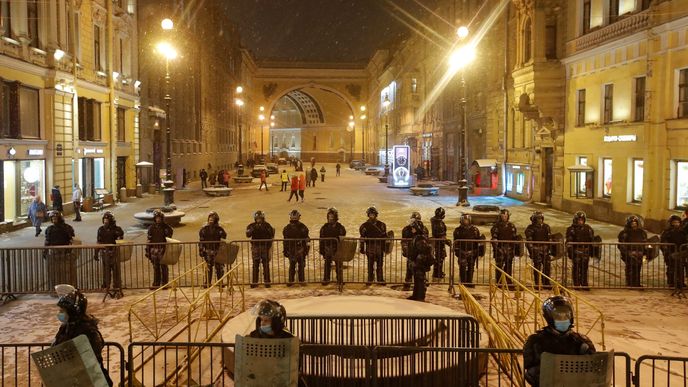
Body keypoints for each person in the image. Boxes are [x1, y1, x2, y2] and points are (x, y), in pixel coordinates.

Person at [523, 296, 596, 387]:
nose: (563, 319)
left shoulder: (581, 342)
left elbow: (592, 371)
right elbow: (530, 372)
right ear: (549, 317)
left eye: (566, 315)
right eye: (558, 316)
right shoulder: (535, 341)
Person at [53, 285, 113, 386]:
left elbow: (91, 356)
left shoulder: (88, 330)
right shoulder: (66, 327)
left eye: (62, 311)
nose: (59, 313)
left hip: (90, 380)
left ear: (72, 312)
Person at [45, 210, 76, 292]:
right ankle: (56, 290)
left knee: (67, 273)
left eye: (55, 218)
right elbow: (47, 241)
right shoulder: (50, 229)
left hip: (65, 254)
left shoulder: (67, 228)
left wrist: (71, 251)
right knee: (55, 274)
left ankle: (68, 290)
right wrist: (45, 251)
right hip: (54, 254)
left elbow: (72, 240)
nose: (54, 220)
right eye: (52, 218)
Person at [96, 211, 125, 299]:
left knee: (116, 270)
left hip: (114, 253)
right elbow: (99, 242)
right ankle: (106, 286)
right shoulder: (101, 229)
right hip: (105, 253)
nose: (105, 221)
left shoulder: (117, 229)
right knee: (106, 270)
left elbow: (121, 239)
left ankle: (117, 286)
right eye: (104, 219)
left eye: (107, 220)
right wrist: (96, 252)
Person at [566, 211, 596, 289]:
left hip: (585, 251)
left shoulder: (588, 228)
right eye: (579, 220)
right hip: (576, 251)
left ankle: (584, 283)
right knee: (576, 267)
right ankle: (576, 283)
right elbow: (569, 241)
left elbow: (592, 240)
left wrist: (593, 250)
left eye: (582, 220)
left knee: (584, 268)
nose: (580, 221)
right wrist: (570, 252)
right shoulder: (571, 229)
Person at [453, 213, 484, 287]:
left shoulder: (475, 230)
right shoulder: (458, 230)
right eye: (464, 220)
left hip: (472, 252)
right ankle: (463, 281)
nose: (466, 221)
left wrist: (477, 252)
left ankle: (469, 281)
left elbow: (478, 243)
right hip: (462, 251)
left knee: (471, 267)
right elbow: (456, 243)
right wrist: (459, 252)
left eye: (467, 220)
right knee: (462, 266)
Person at [246, 210, 275, 288]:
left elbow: (272, 234)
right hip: (255, 247)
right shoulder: (251, 225)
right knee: (255, 265)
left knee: (266, 265)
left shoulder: (267, 225)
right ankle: (255, 282)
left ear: (263, 218)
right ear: (255, 218)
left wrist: (270, 248)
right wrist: (252, 230)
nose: (258, 219)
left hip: (265, 247)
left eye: (260, 218)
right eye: (257, 218)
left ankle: (267, 282)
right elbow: (247, 235)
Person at [617, 215, 648, 288]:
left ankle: (637, 283)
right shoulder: (624, 233)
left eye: (635, 223)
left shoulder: (642, 232)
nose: (634, 225)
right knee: (630, 268)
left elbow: (645, 242)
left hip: (639, 254)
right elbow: (622, 244)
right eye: (632, 223)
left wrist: (645, 252)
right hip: (629, 254)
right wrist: (627, 253)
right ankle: (630, 283)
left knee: (638, 269)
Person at [359, 207, 388, 285]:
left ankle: (380, 279)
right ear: (368, 215)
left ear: (376, 215)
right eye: (370, 214)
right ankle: (370, 279)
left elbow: (385, 237)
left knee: (379, 264)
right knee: (370, 264)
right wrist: (362, 247)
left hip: (379, 247)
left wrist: (386, 248)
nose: (372, 216)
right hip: (370, 246)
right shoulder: (364, 226)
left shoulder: (382, 225)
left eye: (373, 214)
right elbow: (362, 237)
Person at [490, 209, 519, 286]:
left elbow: (514, 237)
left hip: (509, 248)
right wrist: (497, 248)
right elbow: (494, 237)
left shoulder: (511, 226)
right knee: (499, 265)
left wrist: (515, 245)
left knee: (509, 265)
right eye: (503, 216)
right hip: (500, 248)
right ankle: (499, 282)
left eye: (506, 216)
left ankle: (508, 281)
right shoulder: (496, 226)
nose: (504, 217)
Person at [145, 210, 173, 289]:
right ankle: (156, 283)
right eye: (157, 218)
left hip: (163, 248)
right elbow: (149, 239)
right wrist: (148, 250)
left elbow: (169, 235)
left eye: (159, 218)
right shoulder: (151, 227)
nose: (158, 219)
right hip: (154, 249)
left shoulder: (166, 227)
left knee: (163, 266)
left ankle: (165, 283)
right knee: (155, 267)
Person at [199, 211, 227, 287]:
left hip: (217, 251)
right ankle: (207, 282)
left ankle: (220, 282)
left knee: (219, 267)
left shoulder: (219, 228)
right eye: (210, 218)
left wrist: (221, 230)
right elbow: (201, 240)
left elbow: (224, 236)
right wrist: (201, 249)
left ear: (216, 219)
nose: (211, 219)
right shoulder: (204, 229)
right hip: (208, 251)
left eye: (212, 218)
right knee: (208, 267)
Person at [525, 211, 553, 287]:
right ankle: (537, 283)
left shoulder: (546, 227)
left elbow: (549, 238)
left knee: (547, 266)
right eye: (538, 219)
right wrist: (532, 251)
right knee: (537, 267)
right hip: (536, 249)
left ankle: (546, 282)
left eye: (541, 218)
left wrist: (550, 249)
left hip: (545, 249)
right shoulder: (530, 228)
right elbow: (529, 241)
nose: (540, 220)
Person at [282, 210, 310, 286]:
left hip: (298, 249)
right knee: (295, 265)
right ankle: (297, 280)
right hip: (295, 249)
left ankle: (294, 281)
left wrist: (285, 250)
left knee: (296, 265)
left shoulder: (289, 227)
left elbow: (306, 238)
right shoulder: (300, 227)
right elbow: (285, 240)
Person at [319, 207, 346, 285]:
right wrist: (322, 250)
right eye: (329, 216)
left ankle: (339, 279)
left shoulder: (340, 227)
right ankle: (326, 279)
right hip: (327, 249)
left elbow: (342, 237)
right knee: (327, 265)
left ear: (335, 217)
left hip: (337, 249)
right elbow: (321, 239)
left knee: (338, 265)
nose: (330, 218)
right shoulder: (324, 227)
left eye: (332, 216)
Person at [402, 212, 429, 290]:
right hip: (411, 251)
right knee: (409, 268)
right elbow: (404, 241)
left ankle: (422, 282)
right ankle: (408, 282)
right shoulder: (406, 229)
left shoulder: (424, 229)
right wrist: (405, 249)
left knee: (420, 269)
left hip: (420, 253)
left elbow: (426, 241)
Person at [660, 215, 688, 287]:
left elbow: (685, 240)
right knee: (671, 268)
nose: (676, 224)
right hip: (670, 253)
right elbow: (663, 242)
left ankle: (680, 282)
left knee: (680, 268)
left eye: (677, 222)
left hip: (680, 253)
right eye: (674, 222)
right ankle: (671, 282)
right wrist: (666, 250)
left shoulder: (682, 231)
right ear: (671, 223)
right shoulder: (667, 232)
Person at [407, 234, 434, 301]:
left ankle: (420, 296)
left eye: (413, 228)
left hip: (420, 262)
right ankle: (415, 295)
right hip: (417, 262)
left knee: (420, 280)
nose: (412, 230)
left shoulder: (420, 239)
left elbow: (421, 251)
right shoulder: (418, 237)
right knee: (417, 280)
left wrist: (417, 261)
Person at [430, 207, 450, 279]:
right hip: (439, 243)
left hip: (437, 242)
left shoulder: (434, 221)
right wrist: (448, 242)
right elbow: (441, 235)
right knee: (440, 258)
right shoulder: (439, 223)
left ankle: (438, 272)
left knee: (439, 257)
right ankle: (437, 273)